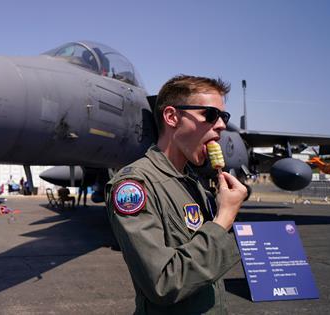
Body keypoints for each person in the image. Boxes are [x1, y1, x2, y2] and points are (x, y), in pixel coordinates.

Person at [105, 75, 247, 314]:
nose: (221, 125)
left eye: (224, 117)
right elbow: (163, 283)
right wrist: (223, 220)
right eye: (210, 115)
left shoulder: (192, 182)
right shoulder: (134, 185)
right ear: (172, 117)